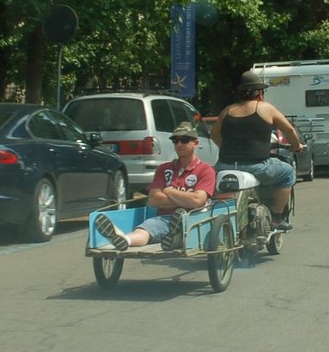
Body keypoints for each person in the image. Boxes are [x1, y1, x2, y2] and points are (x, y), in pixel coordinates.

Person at [95, 122, 215, 252]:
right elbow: (153, 199)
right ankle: (125, 240)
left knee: (182, 220)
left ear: (195, 143)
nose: (179, 144)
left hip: (193, 219)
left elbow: (198, 201)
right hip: (164, 219)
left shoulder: (206, 170)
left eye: (184, 140)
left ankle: (176, 237)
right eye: (175, 141)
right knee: (144, 230)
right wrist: (185, 201)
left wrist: (169, 191)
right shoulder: (164, 169)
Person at [212, 70, 305, 229]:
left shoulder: (227, 111)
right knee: (288, 172)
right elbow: (289, 130)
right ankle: (276, 217)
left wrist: (226, 149)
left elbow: (214, 135)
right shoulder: (265, 108)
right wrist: (297, 147)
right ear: (260, 93)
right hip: (256, 166)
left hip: (224, 166)